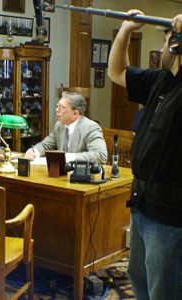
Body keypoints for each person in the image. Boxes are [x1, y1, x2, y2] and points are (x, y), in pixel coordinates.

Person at [108, 10, 182, 300]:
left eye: (166, 43)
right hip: (141, 206)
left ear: (177, 48)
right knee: (138, 277)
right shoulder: (159, 80)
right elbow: (116, 71)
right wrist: (125, 30)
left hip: (171, 215)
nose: (161, 49)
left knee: (165, 289)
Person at [25, 92, 107, 163]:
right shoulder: (59, 125)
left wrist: (68, 157)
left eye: (62, 108)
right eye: (57, 106)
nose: (57, 110)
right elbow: (46, 145)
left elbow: (100, 155)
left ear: (75, 113)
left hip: (80, 177)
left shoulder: (90, 128)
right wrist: (35, 151)